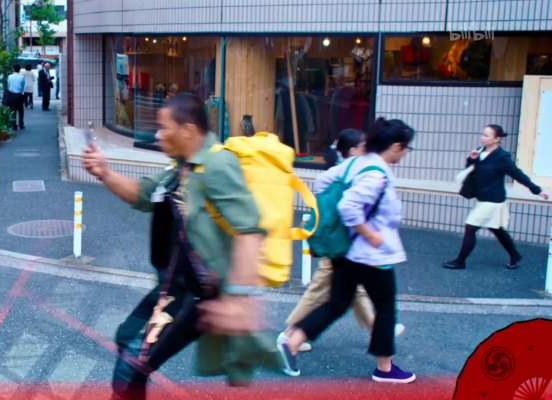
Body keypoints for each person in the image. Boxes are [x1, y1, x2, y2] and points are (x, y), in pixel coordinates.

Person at [82, 93, 276, 399]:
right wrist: (105, 173)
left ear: (187, 130)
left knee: (132, 365)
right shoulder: (181, 171)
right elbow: (142, 194)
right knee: (127, 338)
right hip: (170, 289)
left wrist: (239, 299)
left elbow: (249, 229)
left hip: (194, 296)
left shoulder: (217, 163)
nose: (158, 135)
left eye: (163, 127)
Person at [279, 118, 418, 384]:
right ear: (397, 146)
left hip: (344, 251)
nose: (406, 153)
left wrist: (342, 226)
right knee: (386, 308)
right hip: (371, 255)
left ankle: (293, 341)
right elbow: (349, 207)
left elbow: (322, 186)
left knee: (337, 303)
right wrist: (370, 233)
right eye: (406, 148)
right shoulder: (377, 173)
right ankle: (385, 368)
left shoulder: (355, 163)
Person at [443, 124, 549, 270]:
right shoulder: (480, 151)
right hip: (483, 199)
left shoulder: (502, 157)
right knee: (497, 229)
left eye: (487, 135)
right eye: (483, 134)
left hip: (493, 200)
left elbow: (517, 174)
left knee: (470, 227)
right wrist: (471, 159)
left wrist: (537, 190)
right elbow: (473, 171)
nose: (482, 138)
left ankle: (460, 261)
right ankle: (515, 255)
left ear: (497, 139)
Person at [6, 64, 25, 129]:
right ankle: (21, 124)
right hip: (19, 95)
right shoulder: (22, 77)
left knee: (13, 110)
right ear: (19, 70)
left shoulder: (9, 76)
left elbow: (8, 86)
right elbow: (22, 87)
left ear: (13, 69)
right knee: (21, 110)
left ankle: (14, 125)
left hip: (11, 95)